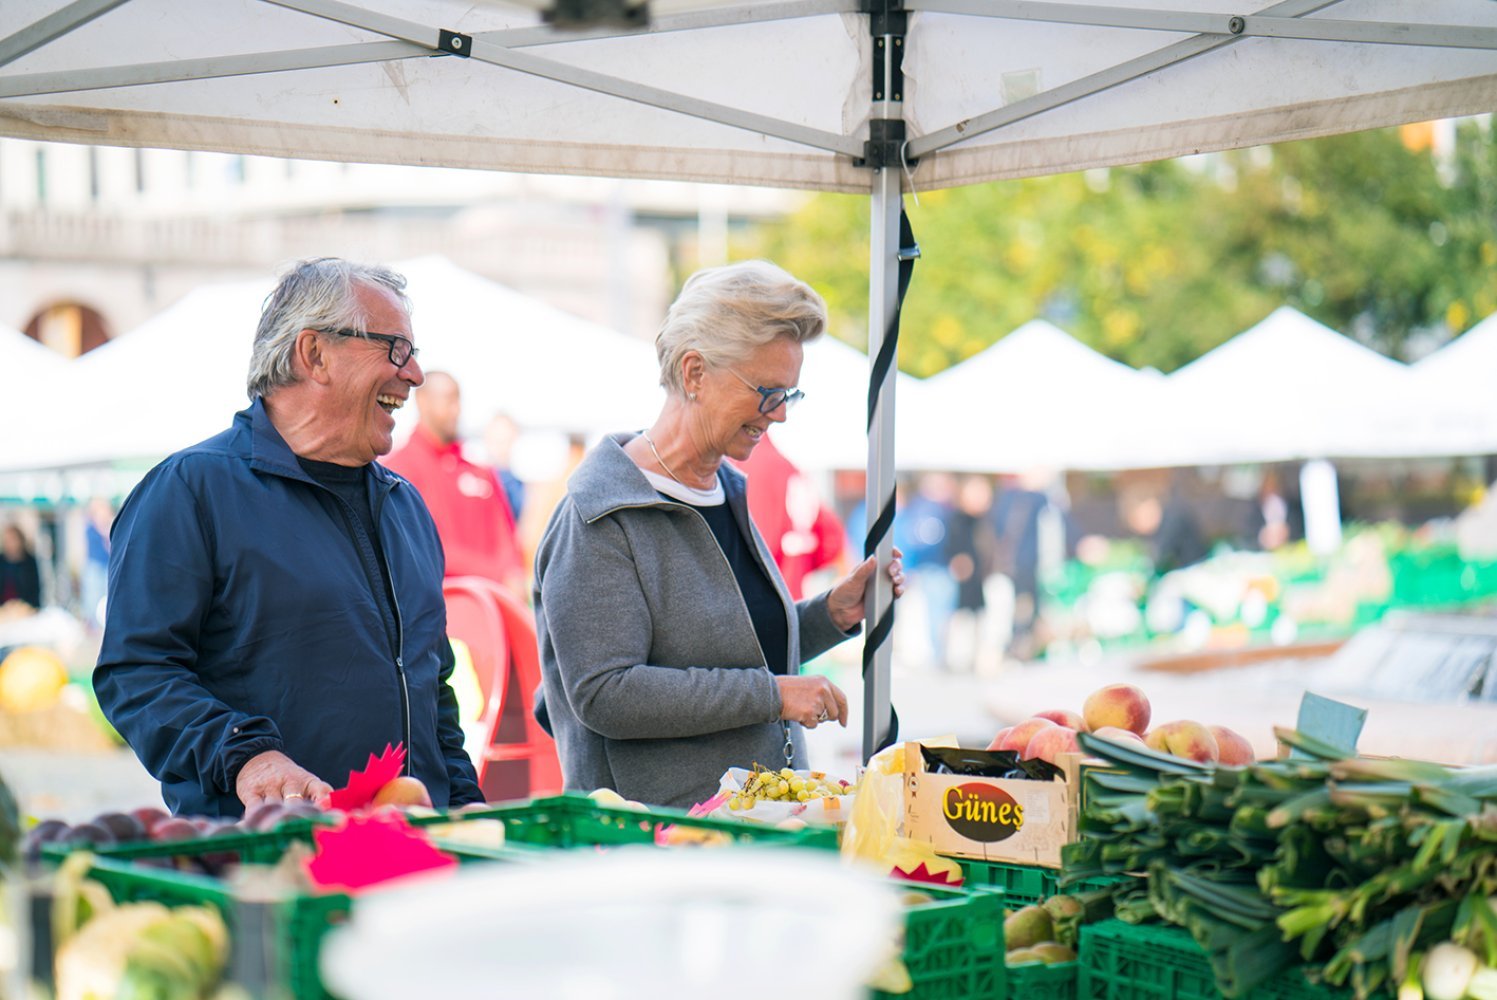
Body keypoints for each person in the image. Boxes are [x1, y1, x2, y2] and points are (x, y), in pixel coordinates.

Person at [94, 258, 482, 817]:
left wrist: (465, 802)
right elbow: (137, 672)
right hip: (270, 862)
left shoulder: (406, 506)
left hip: (417, 856)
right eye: (396, 349)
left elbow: (432, 689)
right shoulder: (190, 491)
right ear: (314, 354)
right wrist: (246, 756)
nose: (415, 374)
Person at [532, 260, 905, 809]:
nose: (779, 415)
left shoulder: (725, 489)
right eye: (767, 392)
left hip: (746, 828)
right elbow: (607, 695)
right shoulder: (598, 516)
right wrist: (773, 695)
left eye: (790, 395)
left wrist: (832, 614)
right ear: (694, 373)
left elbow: (735, 647)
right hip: (656, 844)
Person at [385, 372, 526, 595]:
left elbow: (505, 536)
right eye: (449, 400)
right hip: (440, 605)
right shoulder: (397, 471)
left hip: (493, 604)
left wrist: (512, 573)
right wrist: (495, 575)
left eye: (458, 400)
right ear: (423, 402)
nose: (457, 409)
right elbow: (421, 547)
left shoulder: (481, 473)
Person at [730, 432, 846, 600]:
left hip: (757, 606)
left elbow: (750, 552)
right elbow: (832, 542)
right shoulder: (789, 468)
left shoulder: (742, 465)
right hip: (793, 603)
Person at [0, 524, 41, 611]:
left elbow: (35, 589)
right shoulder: (2, 561)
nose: (10, 544)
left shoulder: (29, 562)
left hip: (25, 610)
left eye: (13, 539)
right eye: (7, 540)